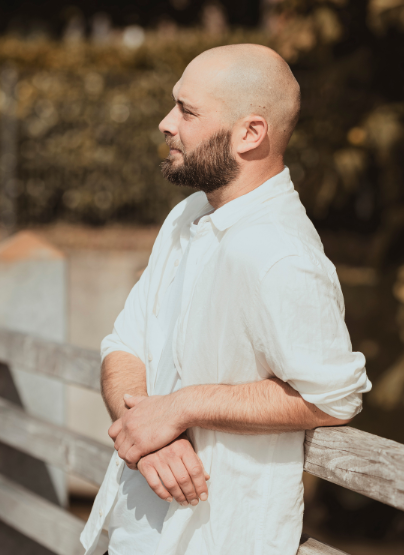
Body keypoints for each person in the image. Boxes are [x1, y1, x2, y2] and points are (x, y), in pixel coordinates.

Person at [80, 43, 372, 555]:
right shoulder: (187, 214)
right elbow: (123, 344)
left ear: (250, 133)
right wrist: (151, 435)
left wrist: (182, 407)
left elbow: (334, 395)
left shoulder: (282, 254)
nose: (166, 123)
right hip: (127, 537)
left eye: (187, 111)